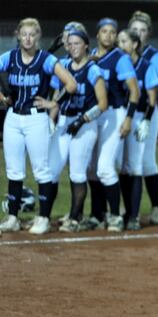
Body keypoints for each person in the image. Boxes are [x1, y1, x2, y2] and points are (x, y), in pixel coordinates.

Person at [0, 18, 76, 234]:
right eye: (24, 34)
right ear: (17, 35)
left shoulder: (46, 59)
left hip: (36, 118)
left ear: (38, 36)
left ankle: (43, 217)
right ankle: (13, 217)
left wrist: (54, 103)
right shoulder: (10, 57)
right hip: (13, 117)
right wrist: (2, 97)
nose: (27, 38)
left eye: (32, 34)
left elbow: (71, 84)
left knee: (42, 170)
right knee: (14, 170)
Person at [45, 29, 108, 232]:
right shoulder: (63, 65)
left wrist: (82, 119)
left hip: (85, 123)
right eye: (70, 44)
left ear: (86, 46)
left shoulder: (92, 69)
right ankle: (43, 216)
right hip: (65, 120)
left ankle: (74, 218)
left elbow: (103, 103)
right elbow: (54, 92)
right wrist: (51, 120)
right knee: (51, 170)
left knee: (77, 173)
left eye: (77, 43)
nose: (73, 47)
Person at [87, 18, 139, 232]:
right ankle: (97, 214)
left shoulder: (120, 57)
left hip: (115, 114)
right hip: (93, 115)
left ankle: (116, 216)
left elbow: (135, 91)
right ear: (97, 35)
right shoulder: (89, 57)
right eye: (104, 31)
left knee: (105, 167)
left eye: (112, 32)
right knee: (91, 169)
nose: (108, 35)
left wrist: (128, 118)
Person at [117, 29, 158, 231]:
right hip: (120, 117)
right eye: (119, 42)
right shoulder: (119, 64)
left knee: (135, 166)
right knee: (122, 167)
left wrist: (147, 121)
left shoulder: (146, 66)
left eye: (124, 41)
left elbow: (152, 99)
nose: (121, 45)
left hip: (139, 117)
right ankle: (127, 211)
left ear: (135, 44)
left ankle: (134, 216)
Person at [129, 10, 158, 225]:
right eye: (134, 30)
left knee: (147, 162)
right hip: (124, 114)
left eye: (142, 30)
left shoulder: (154, 56)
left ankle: (156, 208)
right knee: (124, 163)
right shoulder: (121, 52)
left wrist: (145, 78)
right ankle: (125, 209)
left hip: (146, 112)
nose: (138, 34)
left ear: (148, 34)